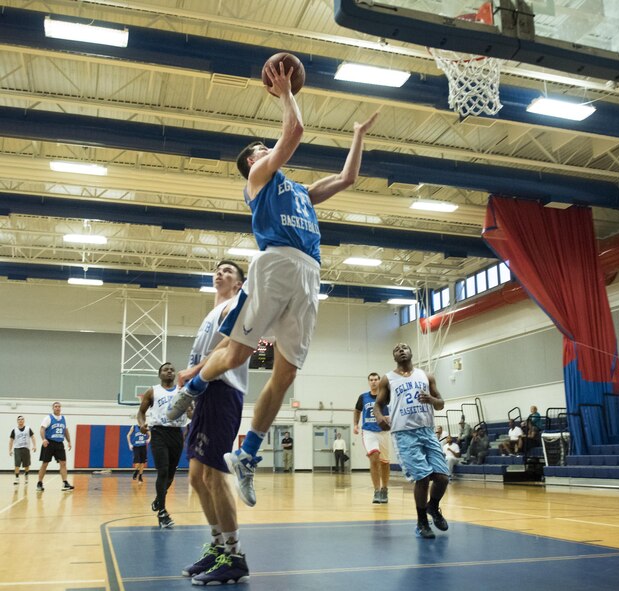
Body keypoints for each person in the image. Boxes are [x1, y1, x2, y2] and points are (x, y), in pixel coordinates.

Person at [166, 60, 379, 508]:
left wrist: (357, 135)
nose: (268, 149)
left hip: (310, 273)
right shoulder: (259, 179)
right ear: (251, 164)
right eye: (262, 148)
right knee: (238, 352)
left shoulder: (298, 190)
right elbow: (295, 130)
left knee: (284, 376)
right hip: (276, 262)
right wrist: (284, 91)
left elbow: (347, 178)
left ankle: (248, 453)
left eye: (268, 146)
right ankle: (188, 393)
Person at [178, 260, 250, 585]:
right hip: (205, 392)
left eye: (228, 272)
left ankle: (235, 556)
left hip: (223, 389)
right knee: (196, 477)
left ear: (239, 283)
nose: (220, 273)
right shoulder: (212, 311)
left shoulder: (238, 304)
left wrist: (196, 372)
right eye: (218, 270)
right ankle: (218, 546)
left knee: (215, 474)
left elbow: (228, 347)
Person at [374, 342, 449, 540]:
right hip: (404, 433)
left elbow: (441, 404)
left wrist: (432, 400)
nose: (401, 349)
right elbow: (378, 405)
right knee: (423, 478)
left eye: (404, 347)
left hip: (427, 431)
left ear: (411, 353)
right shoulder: (388, 379)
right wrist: (380, 418)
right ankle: (421, 522)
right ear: (394, 356)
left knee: (442, 477)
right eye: (396, 348)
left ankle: (433, 507)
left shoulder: (427, 376)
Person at [137, 362, 189, 529]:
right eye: (165, 369)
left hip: (176, 433)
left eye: (172, 369)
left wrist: (195, 416)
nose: (169, 371)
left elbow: (191, 412)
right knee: (163, 470)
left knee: (171, 475)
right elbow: (141, 413)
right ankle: (162, 513)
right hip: (159, 432)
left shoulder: (183, 391)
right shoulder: (152, 391)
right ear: (160, 374)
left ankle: (159, 500)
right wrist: (141, 425)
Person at [353, 372, 392, 503]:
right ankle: (376, 490)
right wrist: (355, 425)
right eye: (371, 380)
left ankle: (384, 489)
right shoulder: (363, 397)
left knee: (385, 462)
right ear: (368, 382)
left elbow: (394, 409)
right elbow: (357, 411)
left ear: (380, 381)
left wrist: (390, 418)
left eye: (376, 379)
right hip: (368, 431)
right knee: (374, 456)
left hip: (384, 432)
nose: (374, 382)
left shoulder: (387, 396)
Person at [37, 402, 74, 492]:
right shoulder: (48, 418)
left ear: (60, 408)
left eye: (59, 406)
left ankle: (65, 483)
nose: (57, 408)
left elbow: (65, 431)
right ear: (53, 408)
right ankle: (39, 483)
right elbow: (42, 429)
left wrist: (69, 441)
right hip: (49, 443)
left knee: (63, 463)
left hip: (59, 444)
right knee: (45, 464)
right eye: (56, 407)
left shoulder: (63, 419)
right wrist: (43, 439)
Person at [9, 415, 36, 485]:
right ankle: (17, 479)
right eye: (19, 419)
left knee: (26, 465)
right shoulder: (14, 430)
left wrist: (34, 445)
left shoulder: (28, 428)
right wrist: (10, 450)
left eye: (22, 419)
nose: (20, 420)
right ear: (17, 421)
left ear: (24, 420)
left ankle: (26, 476)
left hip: (26, 448)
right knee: (17, 464)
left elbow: (33, 437)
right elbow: (11, 440)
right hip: (17, 448)